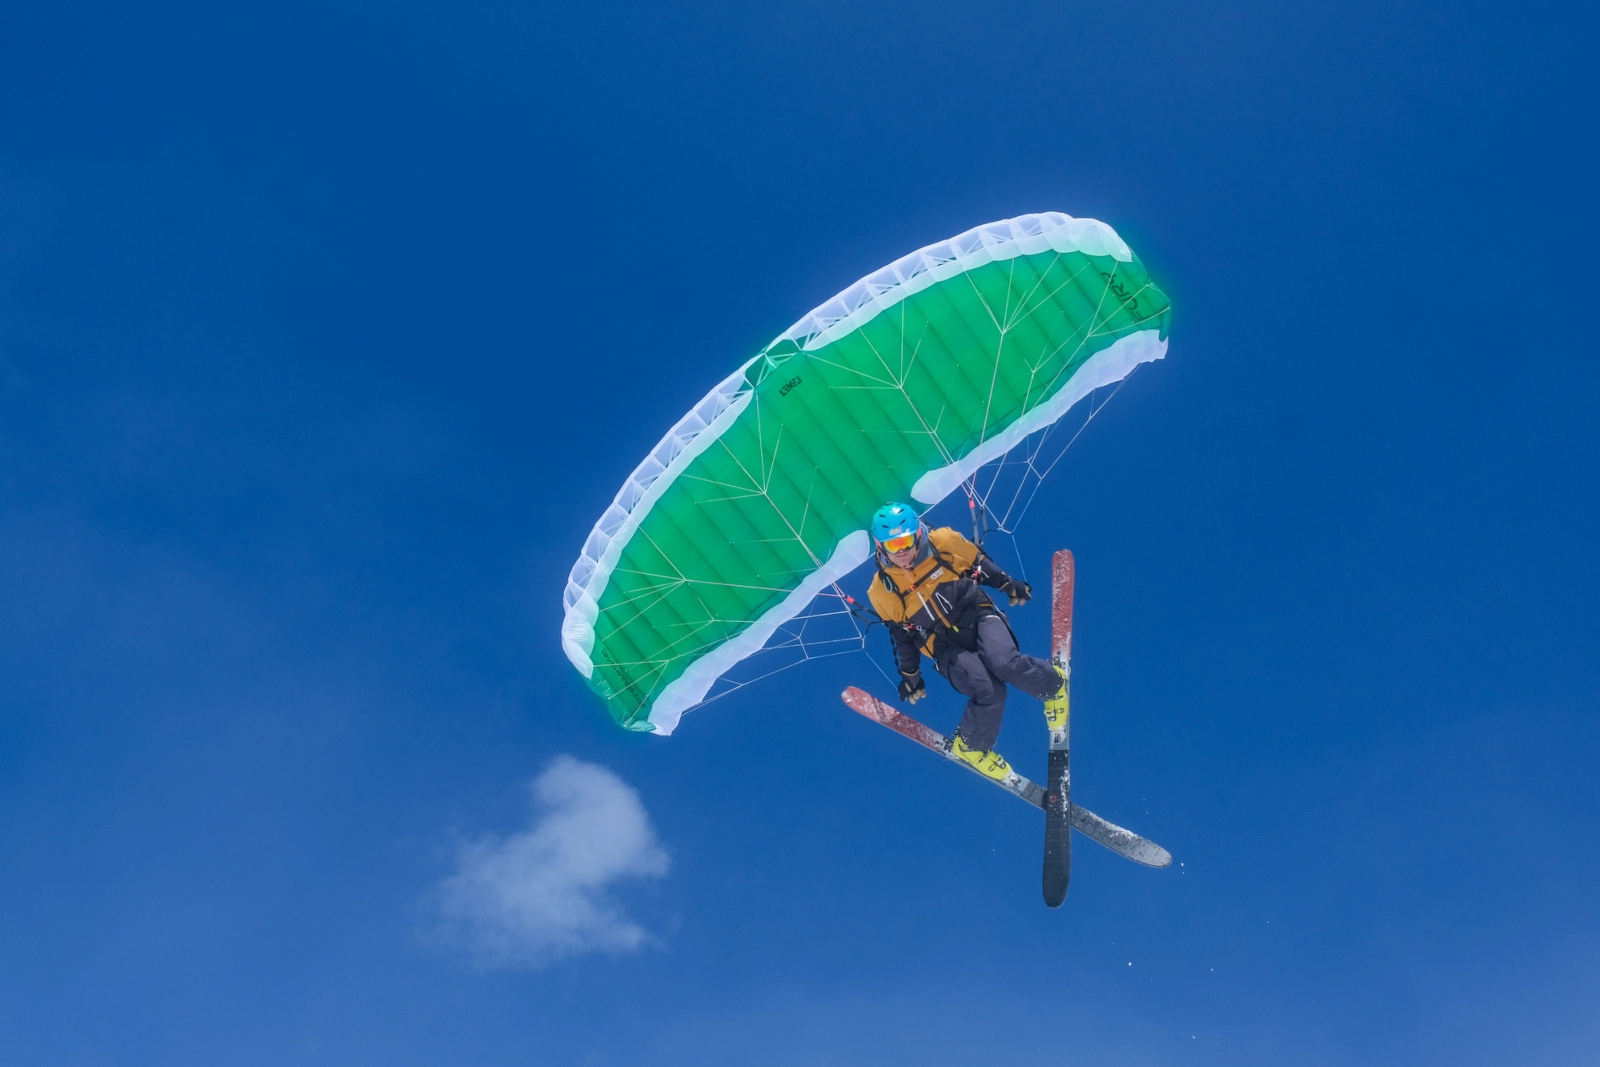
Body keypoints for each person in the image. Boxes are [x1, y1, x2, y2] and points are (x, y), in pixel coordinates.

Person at [865, 502, 1068, 781]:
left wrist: (1008, 584)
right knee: (988, 691)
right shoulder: (881, 590)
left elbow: (978, 564)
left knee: (1004, 662)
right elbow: (902, 635)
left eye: (905, 540)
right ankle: (972, 748)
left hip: (978, 616)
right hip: (942, 644)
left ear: (917, 535)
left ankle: (1054, 687)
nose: (900, 551)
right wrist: (910, 674)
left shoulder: (944, 543)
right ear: (879, 546)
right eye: (891, 545)